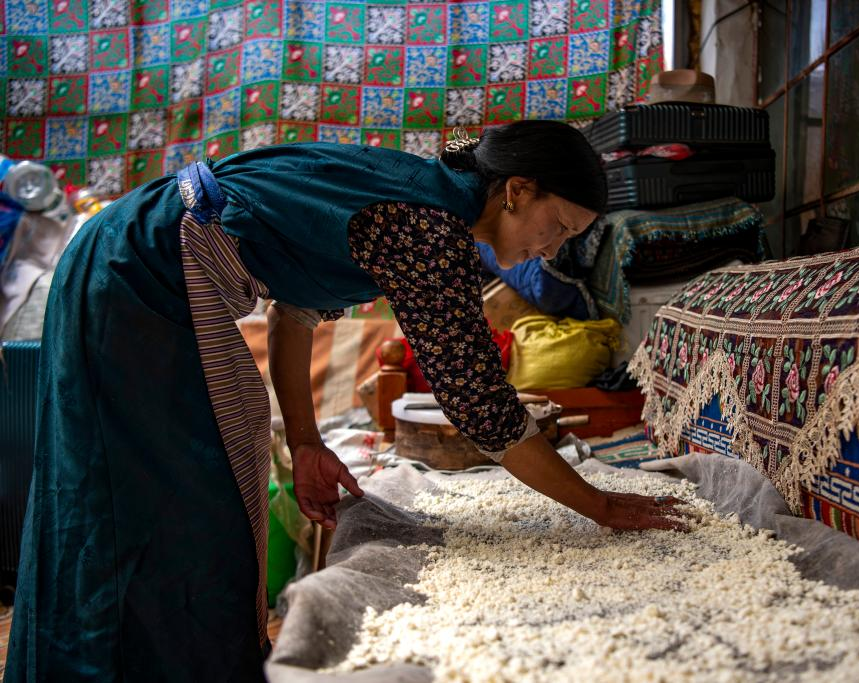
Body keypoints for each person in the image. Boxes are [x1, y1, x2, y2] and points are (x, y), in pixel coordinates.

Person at [8, 120, 688, 682]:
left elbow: (293, 316)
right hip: (139, 272)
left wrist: (307, 442)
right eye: (558, 225)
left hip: (128, 258)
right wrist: (599, 505)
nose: (553, 247)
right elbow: (486, 410)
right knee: (178, 504)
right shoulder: (428, 224)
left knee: (190, 486)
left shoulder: (414, 198)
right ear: (516, 190)